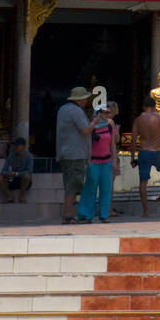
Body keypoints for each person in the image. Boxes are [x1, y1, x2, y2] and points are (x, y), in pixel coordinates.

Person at [56, 86, 94, 225]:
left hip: (66, 153)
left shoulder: (63, 109)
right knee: (73, 185)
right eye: (85, 99)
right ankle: (67, 215)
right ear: (81, 99)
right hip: (75, 154)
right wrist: (95, 122)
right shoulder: (76, 111)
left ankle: (69, 214)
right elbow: (85, 130)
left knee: (70, 184)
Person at [130, 94, 160, 217]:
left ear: (144, 107)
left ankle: (145, 210)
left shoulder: (138, 120)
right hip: (157, 150)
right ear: (154, 106)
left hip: (144, 151)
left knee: (143, 182)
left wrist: (132, 157)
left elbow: (133, 140)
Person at [76, 105, 117, 222]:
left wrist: (114, 160)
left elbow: (112, 144)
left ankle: (104, 215)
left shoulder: (109, 126)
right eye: (104, 112)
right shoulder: (91, 127)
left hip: (106, 161)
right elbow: (85, 143)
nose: (107, 115)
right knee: (90, 188)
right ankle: (86, 215)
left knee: (106, 188)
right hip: (93, 161)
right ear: (97, 113)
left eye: (108, 112)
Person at [0, 138, 33, 204]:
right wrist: (8, 174)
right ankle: (10, 196)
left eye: (17, 145)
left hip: (23, 180)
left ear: (23, 146)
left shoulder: (29, 156)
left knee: (27, 176)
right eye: (15, 145)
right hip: (11, 180)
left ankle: (21, 196)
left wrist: (17, 173)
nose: (15, 147)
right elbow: (3, 171)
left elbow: (29, 171)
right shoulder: (11, 156)